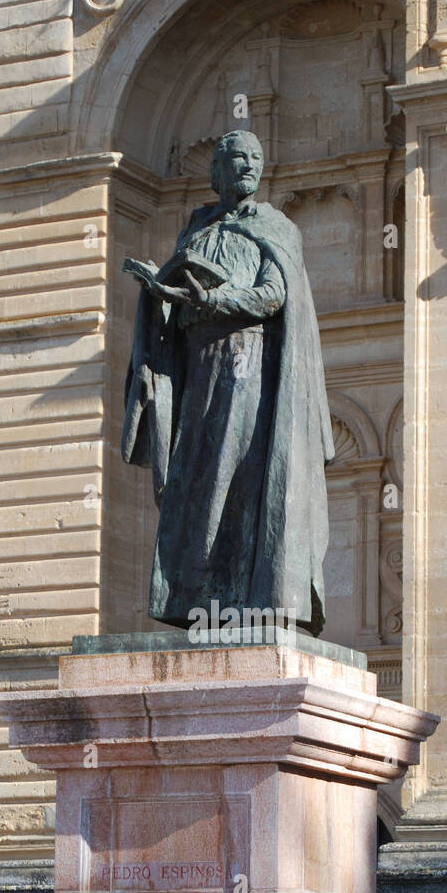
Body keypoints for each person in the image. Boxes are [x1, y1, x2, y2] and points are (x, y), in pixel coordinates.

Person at [121, 129, 334, 636]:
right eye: (237, 158)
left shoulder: (277, 227)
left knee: (238, 479)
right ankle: (199, 597)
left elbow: (272, 295)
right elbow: (180, 294)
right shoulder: (196, 229)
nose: (247, 167)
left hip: (250, 369)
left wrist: (213, 301)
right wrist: (160, 291)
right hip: (199, 370)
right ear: (216, 171)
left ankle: (250, 598)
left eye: (256, 159)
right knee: (193, 482)